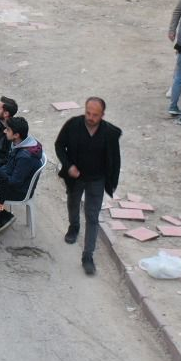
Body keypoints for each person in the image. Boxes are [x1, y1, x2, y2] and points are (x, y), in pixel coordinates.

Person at [55, 96, 122, 276]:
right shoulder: (73, 125)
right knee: (73, 203)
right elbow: (59, 145)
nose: (90, 117)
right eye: (88, 113)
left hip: (97, 180)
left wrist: (112, 182)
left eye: (95, 115)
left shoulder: (109, 133)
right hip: (76, 178)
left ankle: (88, 256)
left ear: (102, 115)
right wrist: (69, 166)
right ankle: (74, 226)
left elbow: (115, 160)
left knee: (92, 216)